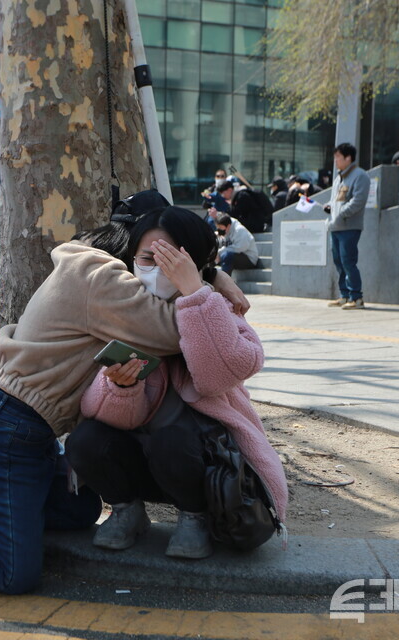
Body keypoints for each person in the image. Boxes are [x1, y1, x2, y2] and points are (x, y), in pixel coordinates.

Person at [0, 190, 251, 595]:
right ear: (131, 244)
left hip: (26, 433)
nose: (158, 269)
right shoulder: (101, 280)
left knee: (79, 509)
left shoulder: (90, 266)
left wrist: (204, 273)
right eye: (153, 257)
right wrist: (206, 279)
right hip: (3, 433)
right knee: (13, 573)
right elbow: (174, 330)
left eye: (172, 260)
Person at [67, 208, 287, 558]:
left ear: (195, 263)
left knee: (172, 438)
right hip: (144, 460)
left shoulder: (218, 308)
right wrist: (123, 388)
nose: (156, 269)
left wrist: (195, 293)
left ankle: (194, 517)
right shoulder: (123, 312)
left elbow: (218, 377)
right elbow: (105, 415)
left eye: (170, 259)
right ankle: (127, 510)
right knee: (84, 440)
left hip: (204, 465)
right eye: (146, 259)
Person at [323, 142, 370, 310]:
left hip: (349, 227)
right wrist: (329, 207)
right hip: (336, 227)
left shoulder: (360, 176)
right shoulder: (339, 177)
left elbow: (358, 201)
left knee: (348, 261)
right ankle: (344, 295)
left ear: (348, 158)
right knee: (338, 261)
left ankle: (356, 297)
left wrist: (340, 213)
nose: (335, 160)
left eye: (338, 157)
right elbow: (336, 200)